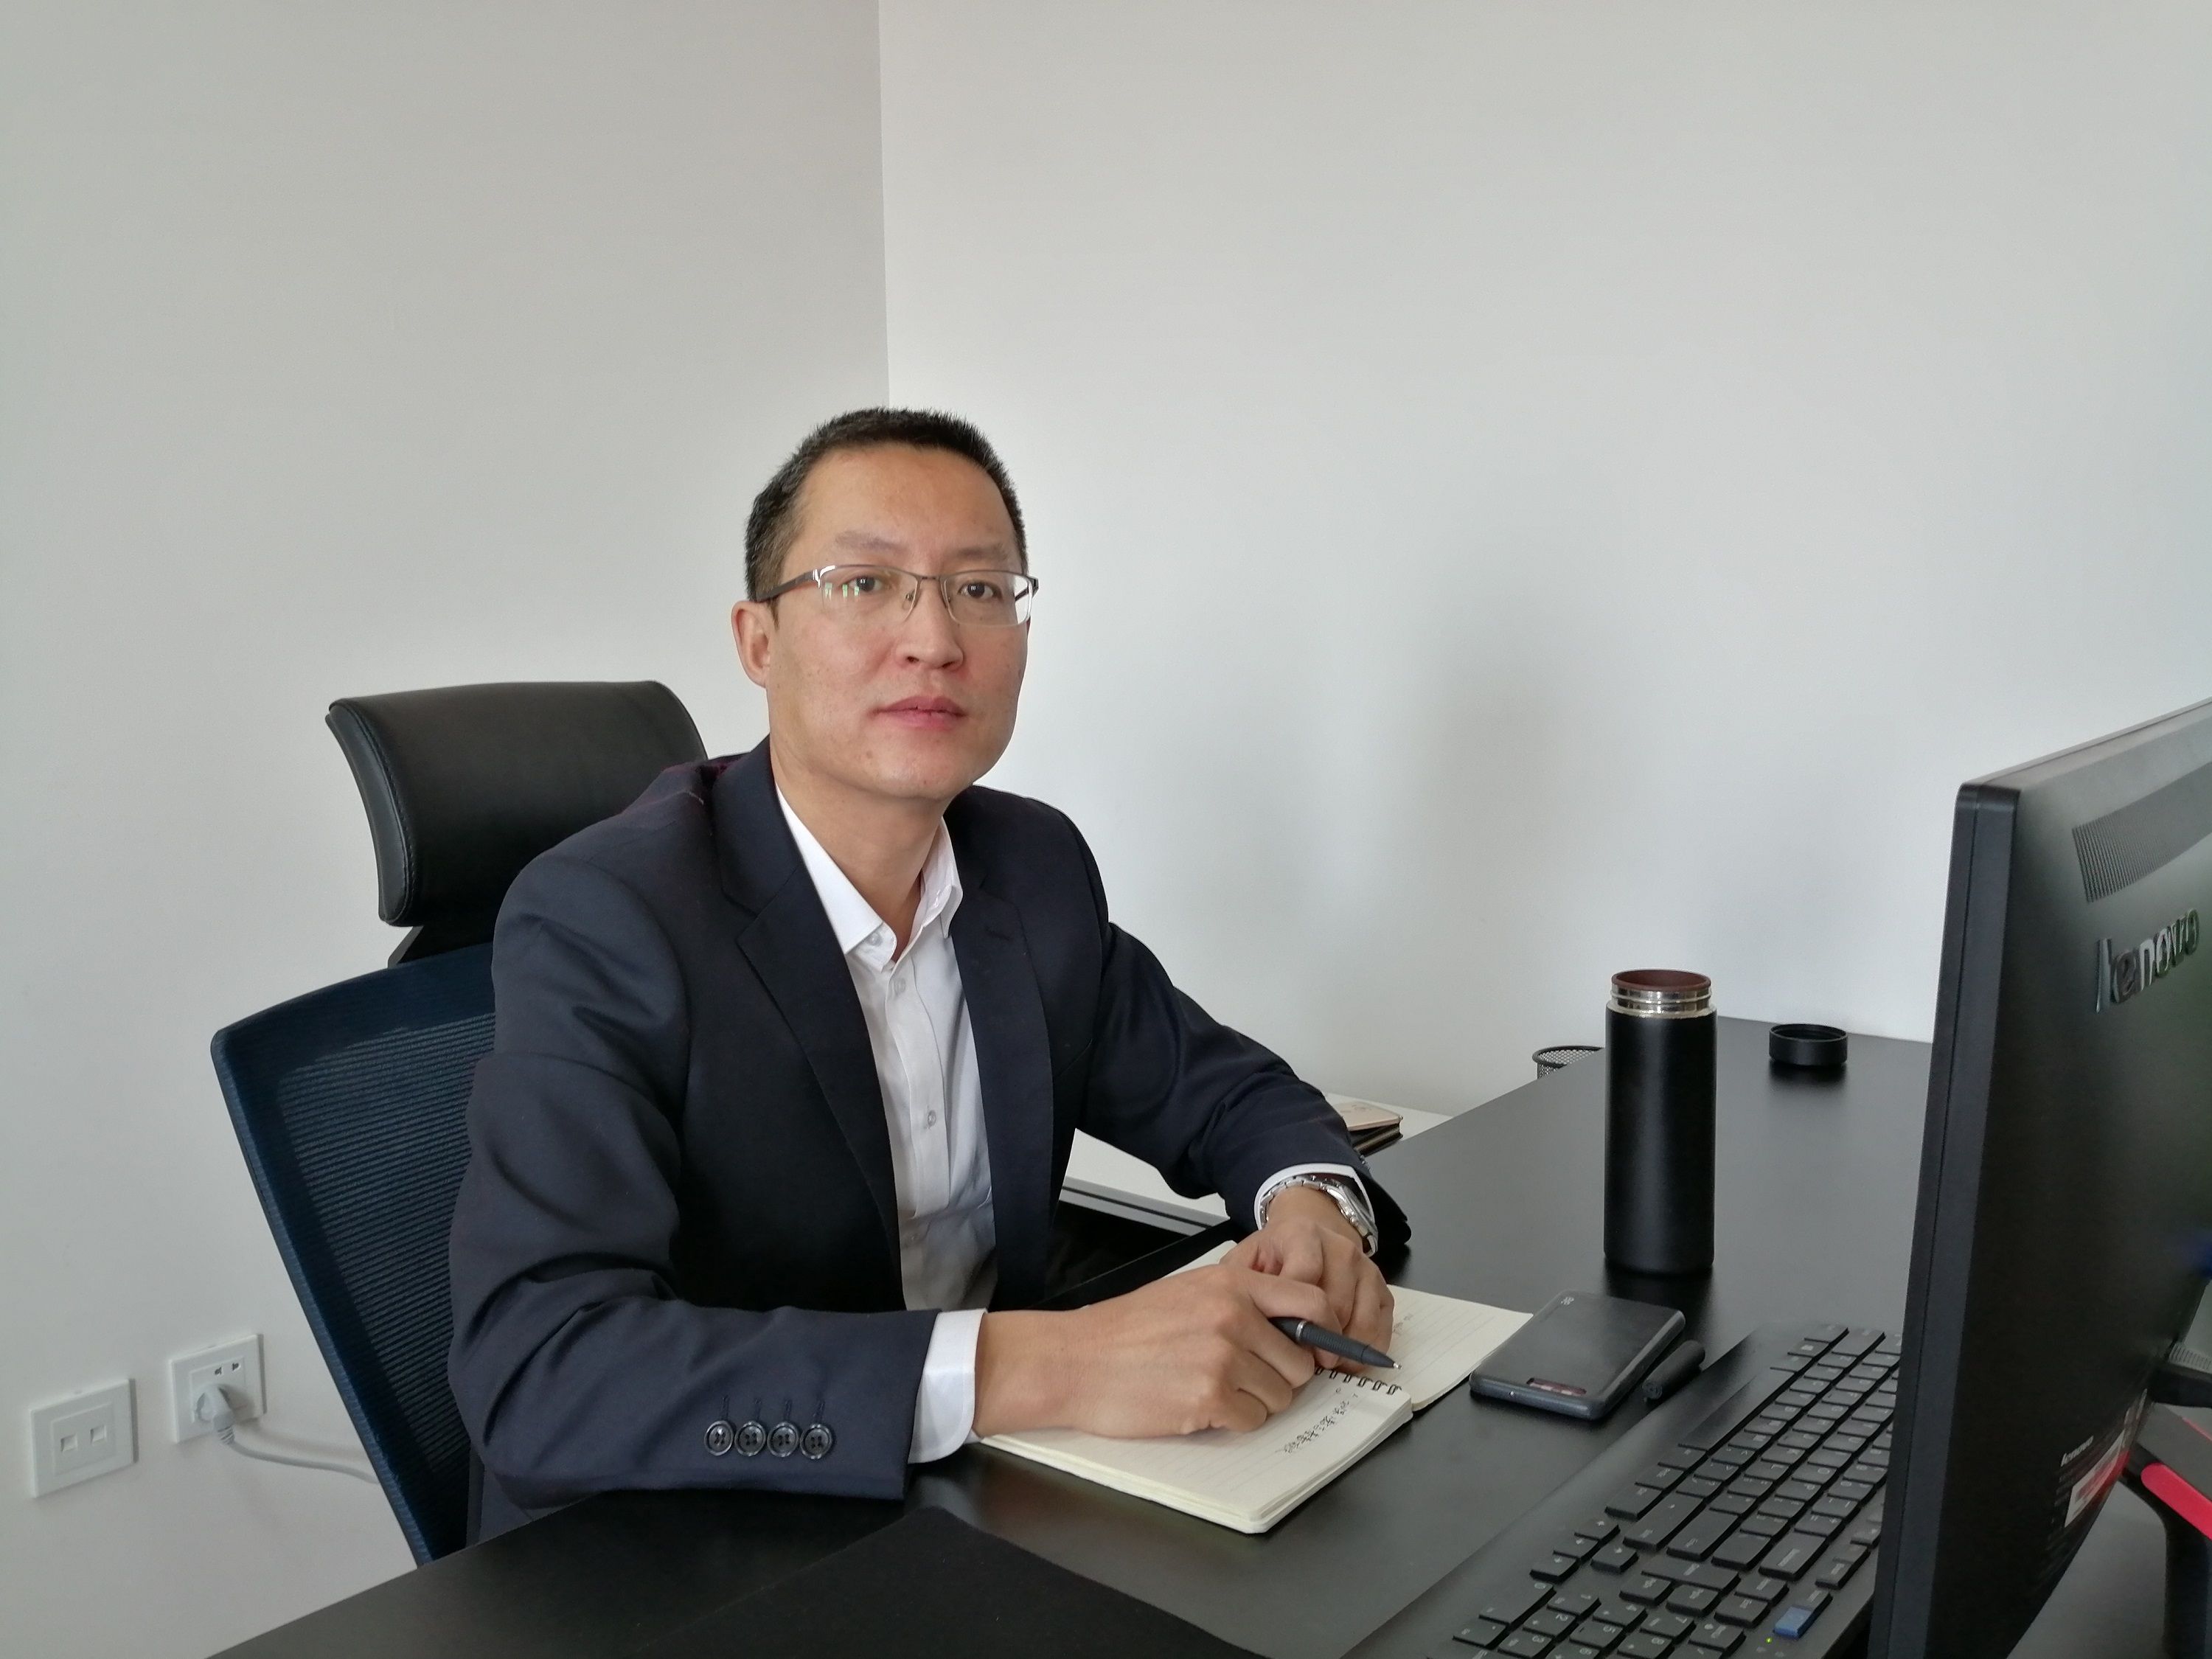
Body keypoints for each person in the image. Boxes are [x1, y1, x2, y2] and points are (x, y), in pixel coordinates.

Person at [448, 408, 1408, 1539]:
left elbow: (1226, 1092)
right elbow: (544, 1374)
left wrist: (1312, 1204)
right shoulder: (610, 916)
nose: (934, 638)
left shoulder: (1030, 868)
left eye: (979, 588)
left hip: (973, 1504)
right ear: (759, 642)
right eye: (865, 583)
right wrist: (1046, 1364)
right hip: (693, 1538)